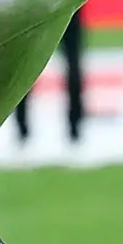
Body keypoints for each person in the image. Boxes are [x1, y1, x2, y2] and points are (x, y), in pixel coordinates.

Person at [15, 8, 85, 144]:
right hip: (65, 6)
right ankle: (75, 127)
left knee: (25, 64)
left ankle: (22, 127)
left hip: (41, 6)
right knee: (26, 64)